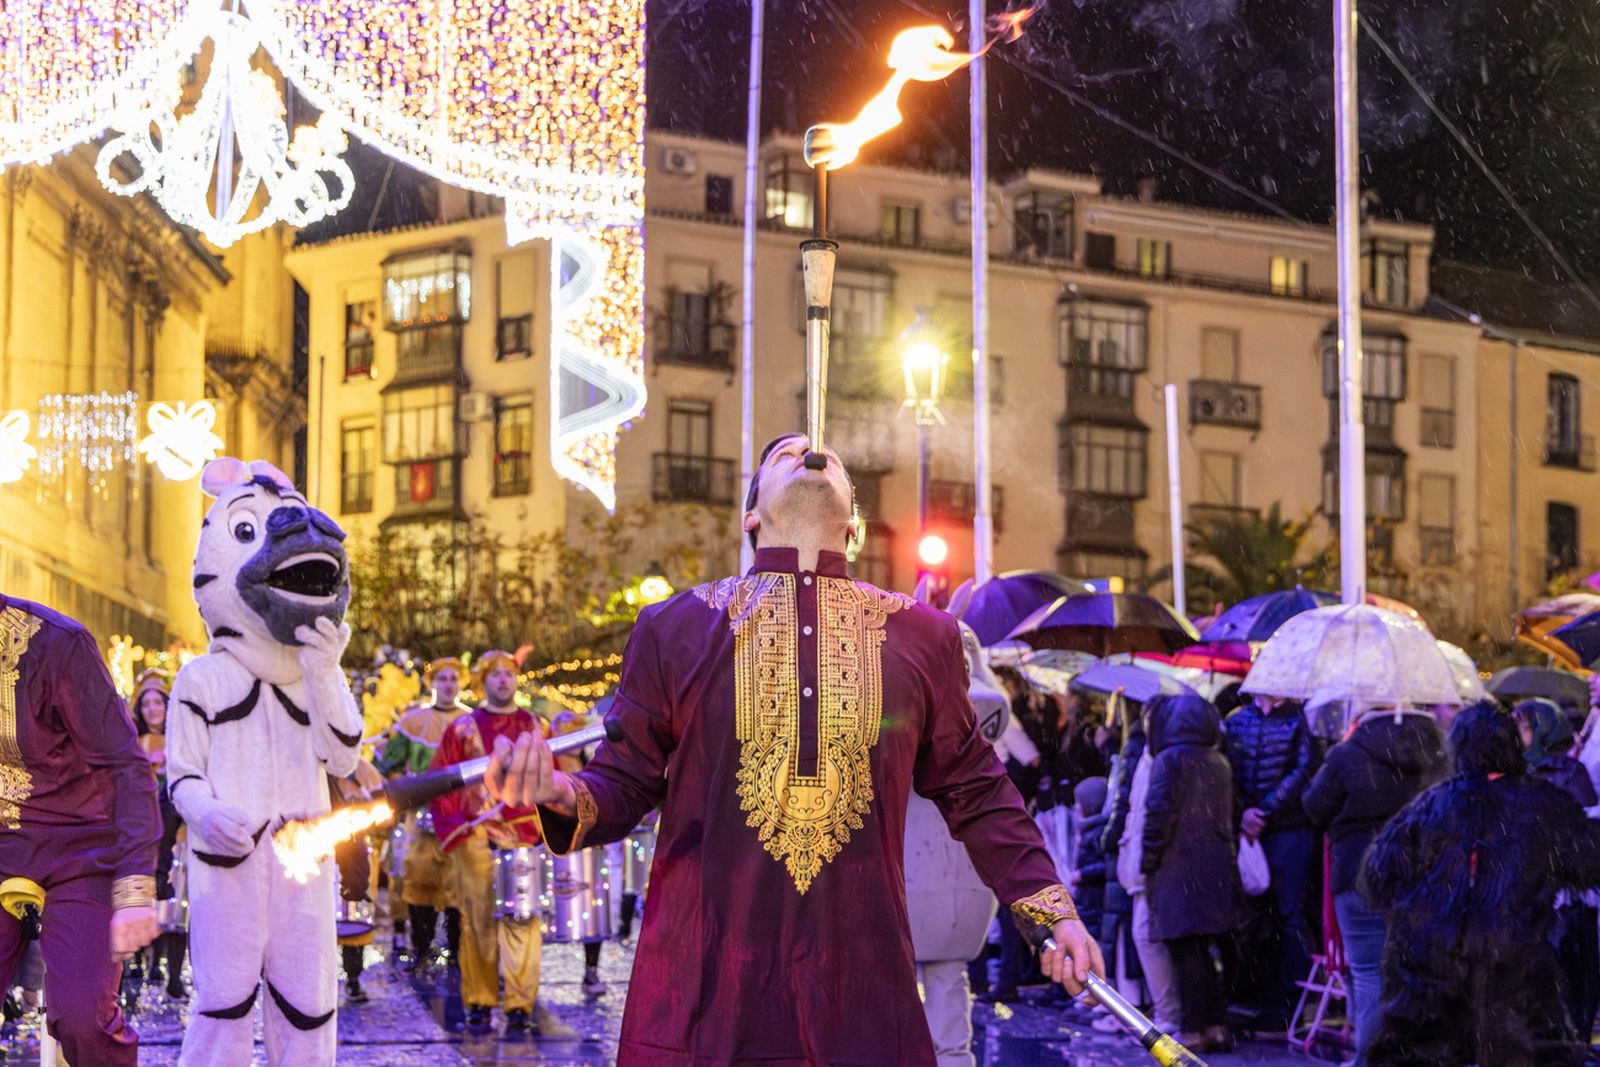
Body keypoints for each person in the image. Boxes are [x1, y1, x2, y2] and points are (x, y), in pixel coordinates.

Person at [482, 433, 1103, 1065]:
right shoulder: (674, 628)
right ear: (752, 515)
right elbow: (627, 779)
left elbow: (978, 789)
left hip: (861, 987)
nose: (807, 449)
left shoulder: (925, 637)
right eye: (779, 454)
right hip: (708, 986)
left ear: (853, 524)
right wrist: (560, 791)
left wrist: (1055, 914)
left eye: (829, 453)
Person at [166, 459, 365, 1067]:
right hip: (228, 864)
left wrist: (325, 674)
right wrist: (207, 813)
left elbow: (344, 752)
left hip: (304, 864)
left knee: (309, 1003)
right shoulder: (201, 678)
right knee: (223, 1001)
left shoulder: (315, 677)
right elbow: (182, 776)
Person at [1362, 700, 1600, 1067]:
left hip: (1431, 960)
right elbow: (1588, 861)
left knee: (1423, 1054)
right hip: (1513, 958)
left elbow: (1378, 875)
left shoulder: (1432, 804)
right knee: (1521, 1052)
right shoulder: (1545, 804)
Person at [0, 595, 161, 1066]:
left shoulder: (58, 645)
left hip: (82, 853)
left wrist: (135, 889)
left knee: (81, 1018)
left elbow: (126, 770)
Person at [1303, 706, 1449, 1066]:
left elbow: (1313, 807)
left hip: (1357, 873)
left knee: (1368, 972)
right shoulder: (1435, 753)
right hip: (1418, 875)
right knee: (1412, 970)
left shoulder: (1347, 754)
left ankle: (1368, 1057)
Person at [429, 650, 561, 1038]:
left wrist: (544, 828)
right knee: (477, 923)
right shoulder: (463, 729)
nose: (503, 680)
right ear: (482, 681)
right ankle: (480, 1002)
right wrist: (458, 828)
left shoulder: (539, 726)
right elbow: (442, 782)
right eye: (495, 674)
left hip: (523, 841)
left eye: (509, 673)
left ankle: (520, 1006)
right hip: (476, 840)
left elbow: (557, 781)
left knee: (524, 923)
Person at [1140, 694, 1236, 1053]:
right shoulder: (1219, 761)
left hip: (1176, 866)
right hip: (1213, 866)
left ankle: (1194, 1028)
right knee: (1204, 949)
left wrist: (1148, 858)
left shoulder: (1169, 759)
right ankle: (1215, 1025)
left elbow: (1158, 812)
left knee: (1185, 951)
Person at [1223, 691, 1320, 1024]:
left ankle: (1289, 1002)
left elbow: (1304, 770)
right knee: (1254, 914)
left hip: (1289, 829)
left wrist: (1263, 811)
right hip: (1249, 831)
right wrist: (1241, 813)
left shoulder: (1301, 719)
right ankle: (1253, 991)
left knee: (1290, 914)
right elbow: (1228, 770)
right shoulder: (1236, 720)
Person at [1513, 697, 1600, 1046]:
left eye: (1523, 727)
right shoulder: (1524, 769)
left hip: (1565, 897)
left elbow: (1584, 835)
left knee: (1568, 983)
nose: (1518, 735)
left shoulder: (1567, 772)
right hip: (1535, 895)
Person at [376, 656, 468, 969]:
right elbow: (388, 764)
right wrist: (404, 789)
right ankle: (421, 949)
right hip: (420, 819)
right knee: (417, 882)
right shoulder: (412, 722)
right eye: (442, 679)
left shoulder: (471, 722)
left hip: (459, 819)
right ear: (432, 683)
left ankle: (457, 952)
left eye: (453, 679)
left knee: (459, 884)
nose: (448, 685)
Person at [130, 669, 189, 1001]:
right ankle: (144, 963)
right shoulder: (131, 743)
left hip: (179, 838)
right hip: (143, 836)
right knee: (146, 899)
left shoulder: (182, 739)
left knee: (177, 905)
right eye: (147, 703)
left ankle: (175, 976)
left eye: (158, 702)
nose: (153, 709)